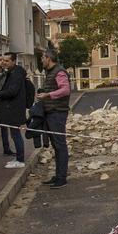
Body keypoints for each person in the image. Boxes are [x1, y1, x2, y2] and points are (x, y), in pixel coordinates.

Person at [36, 50, 72, 189]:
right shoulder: (51, 72)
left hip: (57, 113)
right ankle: (58, 175)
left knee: (60, 145)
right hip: (51, 112)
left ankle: (61, 178)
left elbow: (65, 90)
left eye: (42, 58)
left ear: (48, 58)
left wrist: (47, 95)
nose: (41, 61)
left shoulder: (59, 72)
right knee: (56, 146)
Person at [0, 53, 28, 169]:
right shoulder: (11, 72)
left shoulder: (16, 74)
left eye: (7, 61)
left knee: (16, 134)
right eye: (3, 60)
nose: (4, 63)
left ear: (13, 61)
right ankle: (18, 157)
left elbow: (12, 91)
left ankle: (20, 159)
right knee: (14, 134)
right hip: (12, 108)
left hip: (14, 108)